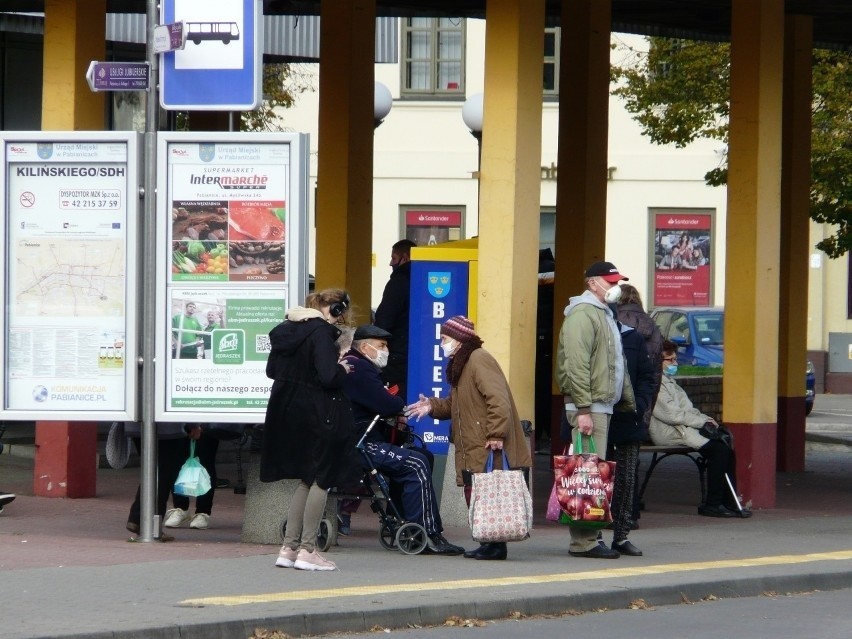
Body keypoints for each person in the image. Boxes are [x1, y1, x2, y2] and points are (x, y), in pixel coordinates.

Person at [405, 315, 531, 561]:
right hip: (472, 441)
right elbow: (456, 405)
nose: (442, 344)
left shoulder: (478, 359)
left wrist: (496, 432)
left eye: (445, 339)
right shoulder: (463, 364)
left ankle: (495, 545)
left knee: (489, 491)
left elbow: (498, 399)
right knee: (478, 492)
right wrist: (431, 406)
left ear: (459, 339)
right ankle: (488, 542)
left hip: (485, 440)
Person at [260, 288, 362, 571]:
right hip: (319, 413)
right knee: (321, 479)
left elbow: (271, 371)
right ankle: (307, 550)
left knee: (305, 479)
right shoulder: (319, 333)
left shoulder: (286, 330)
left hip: (289, 412)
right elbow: (329, 377)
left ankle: (288, 548)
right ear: (336, 309)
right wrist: (342, 367)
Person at [340, 324, 464, 555]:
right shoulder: (359, 368)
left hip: (363, 441)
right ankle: (428, 533)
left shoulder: (359, 366)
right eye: (381, 346)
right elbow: (386, 403)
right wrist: (398, 406)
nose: (386, 350)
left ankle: (404, 521)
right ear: (365, 347)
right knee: (415, 464)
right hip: (359, 445)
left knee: (422, 456)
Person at [556, 261, 635, 559]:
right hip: (590, 407)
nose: (614, 287)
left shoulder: (603, 314)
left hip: (601, 405)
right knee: (587, 473)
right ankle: (584, 541)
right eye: (609, 281)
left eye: (616, 281)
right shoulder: (583, 315)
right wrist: (585, 409)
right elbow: (577, 365)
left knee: (593, 473)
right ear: (592, 283)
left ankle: (590, 536)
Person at [650, 340, 751, 518]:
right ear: (658, 362)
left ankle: (729, 501)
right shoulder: (655, 384)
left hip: (681, 428)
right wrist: (701, 423)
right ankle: (713, 503)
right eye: (670, 360)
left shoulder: (671, 383)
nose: (675, 364)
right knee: (718, 451)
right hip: (668, 432)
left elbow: (688, 410)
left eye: (675, 359)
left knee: (726, 445)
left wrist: (706, 420)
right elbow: (672, 415)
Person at [615, 283, 664, 526]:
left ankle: (609, 510)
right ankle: (630, 511)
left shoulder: (611, 321)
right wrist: (646, 404)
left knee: (606, 458)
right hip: (640, 401)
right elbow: (655, 371)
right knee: (630, 458)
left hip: (614, 401)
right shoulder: (652, 326)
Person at [605, 320, 654, 556]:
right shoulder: (591, 330)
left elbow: (647, 375)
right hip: (597, 415)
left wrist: (641, 403)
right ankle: (592, 535)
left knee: (626, 478)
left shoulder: (633, 338)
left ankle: (621, 535)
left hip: (628, 416)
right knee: (595, 479)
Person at [126, 423, 203, 538]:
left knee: (151, 470)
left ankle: (138, 519)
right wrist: (193, 424)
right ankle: (148, 524)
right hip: (166, 427)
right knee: (163, 474)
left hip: (135, 423)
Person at [374, 239, 417, 399]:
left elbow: (384, 319)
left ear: (404, 258)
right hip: (414, 351)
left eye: (393, 258)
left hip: (397, 353)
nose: (390, 263)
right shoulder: (421, 279)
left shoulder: (398, 282)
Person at [163, 424, 220, 530]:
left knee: (205, 461)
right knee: (176, 462)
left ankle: (202, 513)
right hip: (179, 418)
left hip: (206, 415)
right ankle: (181, 508)